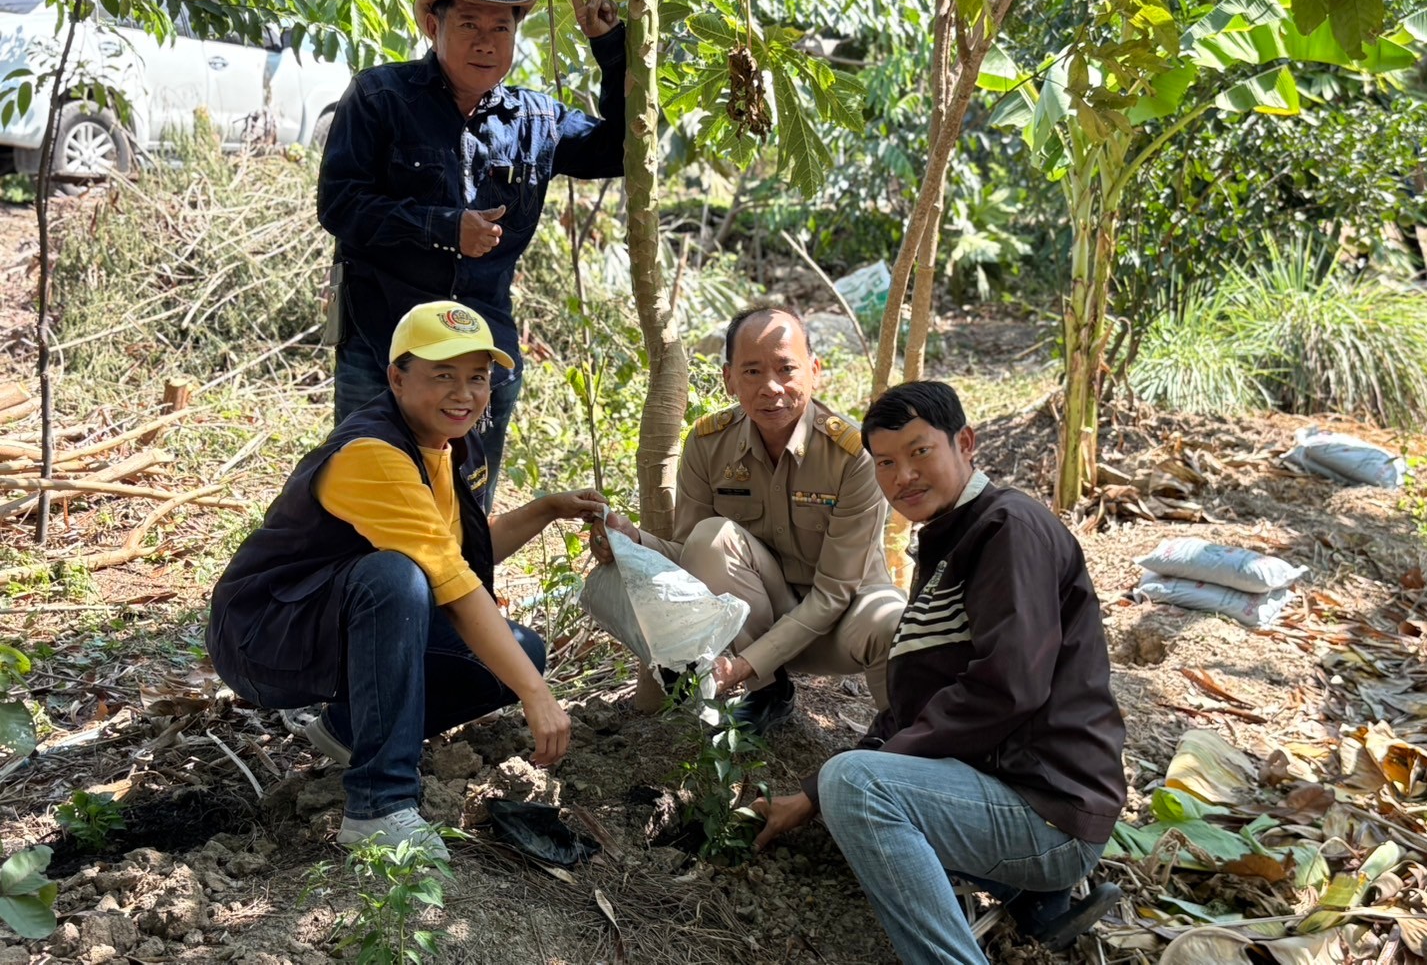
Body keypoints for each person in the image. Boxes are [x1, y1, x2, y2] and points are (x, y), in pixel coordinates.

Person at [208, 301, 601, 859]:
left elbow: (460, 554)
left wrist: (544, 510)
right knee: (397, 577)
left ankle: (347, 731)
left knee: (519, 652)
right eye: (442, 375)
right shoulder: (373, 453)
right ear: (396, 377)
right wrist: (537, 698)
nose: (463, 394)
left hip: (327, 621)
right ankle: (379, 805)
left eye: (477, 378)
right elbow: (453, 586)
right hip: (264, 636)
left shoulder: (445, 444)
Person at [751, 381, 1127, 964]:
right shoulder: (948, 542)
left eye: (920, 452)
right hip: (1004, 793)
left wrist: (837, 784)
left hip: (1047, 809)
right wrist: (809, 794)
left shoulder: (1008, 530)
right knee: (845, 792)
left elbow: (1009, 686)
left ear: (966, 443)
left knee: (857, 786)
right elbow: (914, 709)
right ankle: (1030, 898)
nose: (903, 476)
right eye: (886, 463)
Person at [318, 0, 626, 499]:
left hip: (481, 351)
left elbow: (620, 150)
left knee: (465, 503)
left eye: (501, 28)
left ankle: (463, 586)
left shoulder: (536, 118)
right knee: (366, 496)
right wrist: (442, 226)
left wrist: (610, 48)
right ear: (433, 28)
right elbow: (339, 204)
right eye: (469, 25)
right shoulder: (379, 96)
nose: (486, 42)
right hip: (384, 341)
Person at [593, 306, 904, 734]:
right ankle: (769, 693)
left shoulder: (853, 456)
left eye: (786, 368)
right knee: (711, 535)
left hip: (841, 624)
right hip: (756, 621)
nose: (771, 387)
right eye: (753, 372)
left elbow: (833, 595)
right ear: (729, 379)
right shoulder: (708, 445)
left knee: (893, 621)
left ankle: (906, 738)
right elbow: (693, 557)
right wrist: (634, 541)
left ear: (815, 370)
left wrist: (740, 666)